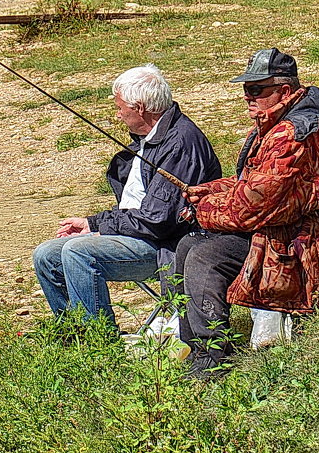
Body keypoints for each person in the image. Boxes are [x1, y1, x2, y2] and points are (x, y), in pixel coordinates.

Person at [176, 48, 319, 377]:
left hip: (313, 248)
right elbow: (252, 184)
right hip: (285, 232)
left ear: (285, 91)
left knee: (205, 257)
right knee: (187, 245)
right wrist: (208, 191)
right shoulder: (278, 126)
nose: (248, 98)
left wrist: (200, 209)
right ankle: (199, 348)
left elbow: (251, 210)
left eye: (256, 90)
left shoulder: (290, 137)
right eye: (246, 90)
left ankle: (215, 360)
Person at [32, 65, 221, 330]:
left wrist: (97, 225)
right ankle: (74, 336)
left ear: (140, 107)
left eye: (121, 107)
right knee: (46, 254)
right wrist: (94, 223)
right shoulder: (148, 138)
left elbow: (159, 220)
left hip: (170, 245)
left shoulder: (180, 143)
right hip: (139, 233)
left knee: (78, 252)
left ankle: (100, 344)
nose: (118, 115)